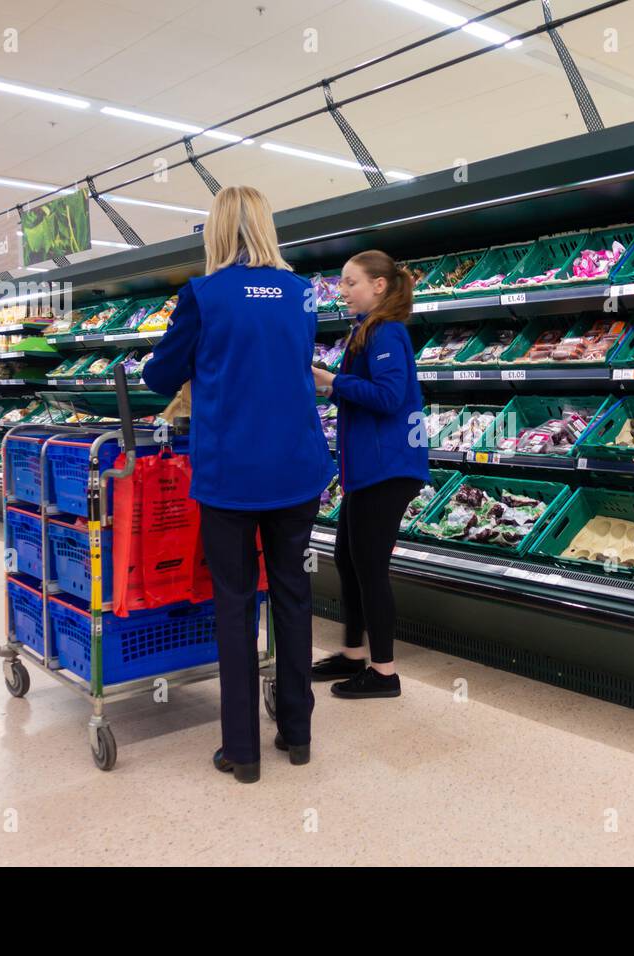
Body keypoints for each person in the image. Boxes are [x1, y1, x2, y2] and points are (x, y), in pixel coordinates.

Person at [144, 185, 334, 784]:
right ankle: (298, 736)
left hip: (230, 474)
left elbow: (160, 376)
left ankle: (242, 752)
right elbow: (294, 362)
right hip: (297, 470)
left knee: (234, 606)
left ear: (217, 230)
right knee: (294, 599)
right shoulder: (303, 294)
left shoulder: (202, 294)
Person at [311, 250, 430, 699]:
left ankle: (384, 673)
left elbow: (387, 396)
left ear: (379, 286)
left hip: (388, 468)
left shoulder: (386, 331)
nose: (342, 291)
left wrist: (331, 381)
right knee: (348, 559)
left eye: (350, 282)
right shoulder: (366, 330)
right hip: (367, 468)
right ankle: (353, 653)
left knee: (370, 567)